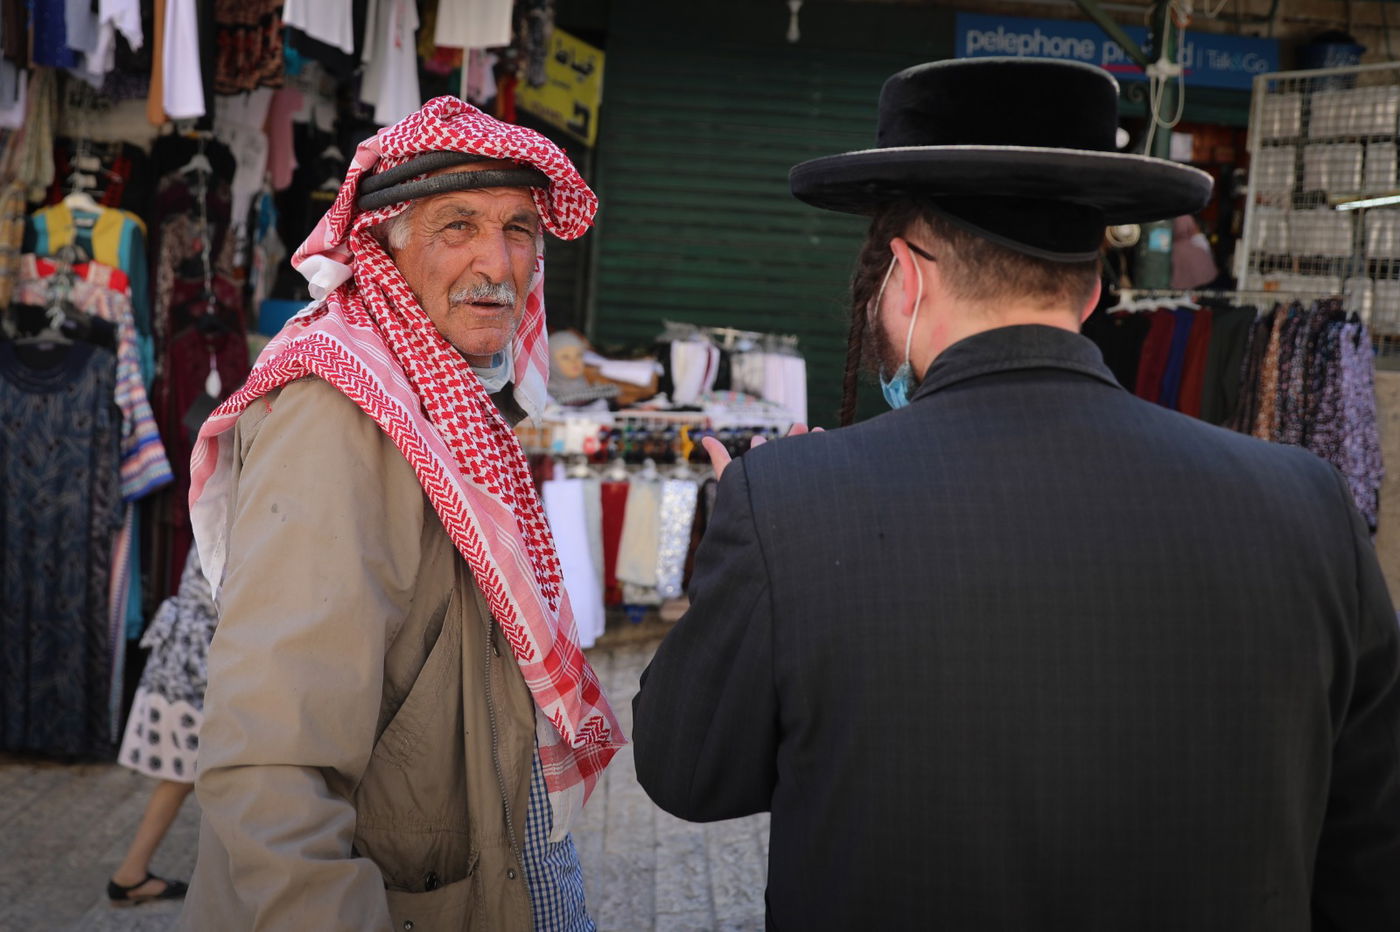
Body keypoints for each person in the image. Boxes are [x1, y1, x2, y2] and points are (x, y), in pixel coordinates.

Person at [631, 58, 1400, 931]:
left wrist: (750, 542)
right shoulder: (1308, 506)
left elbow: (687, 773)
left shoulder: (791, 502)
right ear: (1094, 287)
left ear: (905, 277)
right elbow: (1368, 856)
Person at [178, 97, 624, 931]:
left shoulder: (446, 392)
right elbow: (274, 767)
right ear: (386, 243)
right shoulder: (338, 412)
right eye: (458, 226)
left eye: (520, 228)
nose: (498, 262)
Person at [106, 545, 214, 906]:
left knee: (184, 775)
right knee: (197, 773)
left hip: (186, 655)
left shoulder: (221, 495)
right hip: (198, 661)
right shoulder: (242, 502)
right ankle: (130, 875)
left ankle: (130, 875)